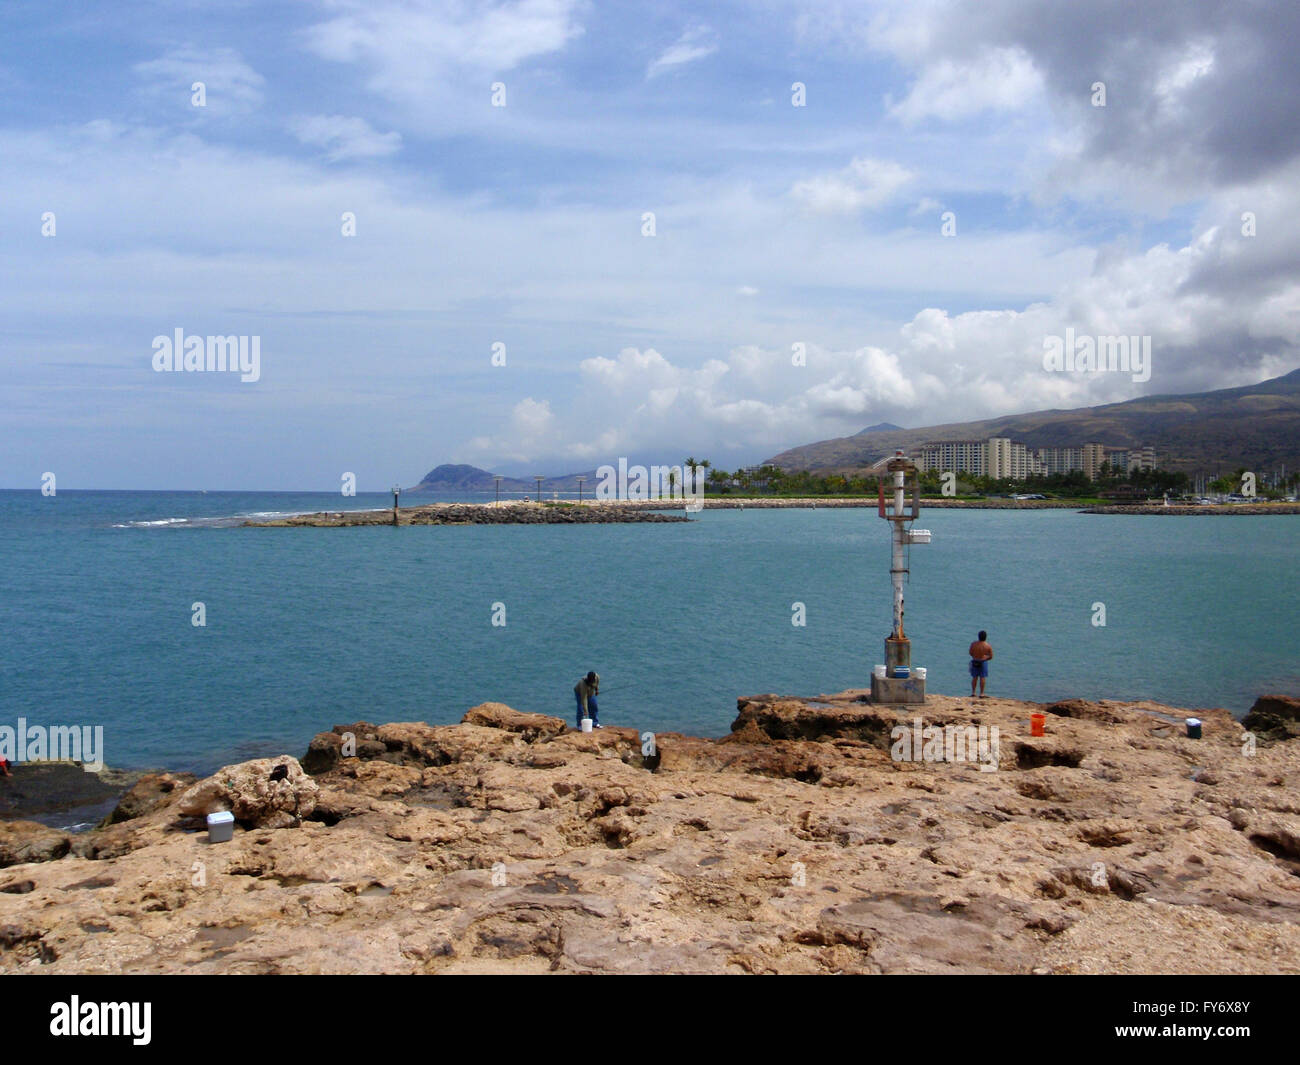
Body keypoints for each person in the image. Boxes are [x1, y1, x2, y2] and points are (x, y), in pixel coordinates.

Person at [968, 630, 993, 697]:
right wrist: (985, 657)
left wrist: (975, 656)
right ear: (986, 637)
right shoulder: (987, 646)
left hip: (975, 661)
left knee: (974, 677)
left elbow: (970, 652)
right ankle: (982, 693)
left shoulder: (973, 644)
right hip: (983, 662)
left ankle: (973, 692)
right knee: (982, 678)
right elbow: (991, 656)